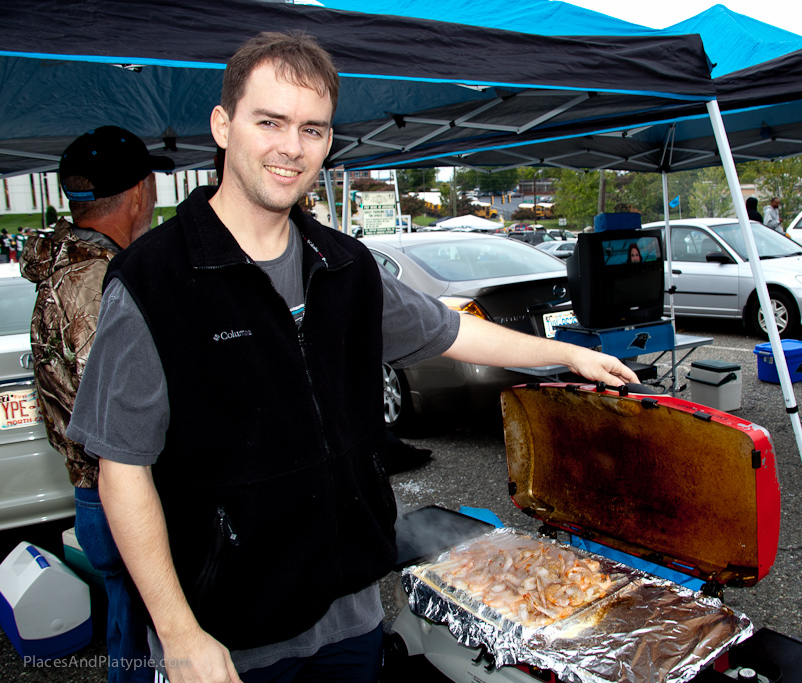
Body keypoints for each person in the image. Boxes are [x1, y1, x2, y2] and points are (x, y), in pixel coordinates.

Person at [66, 31, 637, 683]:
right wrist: (177, 630)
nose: (291, 147)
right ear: (224, 126)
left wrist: (562, 353)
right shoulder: (151, 282)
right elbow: (122, 467)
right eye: (270, 122)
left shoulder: (345, 266)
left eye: (312, 129)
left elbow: (451, 331)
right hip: (231, 639)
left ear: (329, 142)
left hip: (353, 619)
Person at [21, 125, 171, 683]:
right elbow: (117, 405)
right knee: (149, 645)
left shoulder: (70, 264)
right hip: (121, 497)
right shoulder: (95, 277)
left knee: (129, 630)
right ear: (139, 192)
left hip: (95, 497)